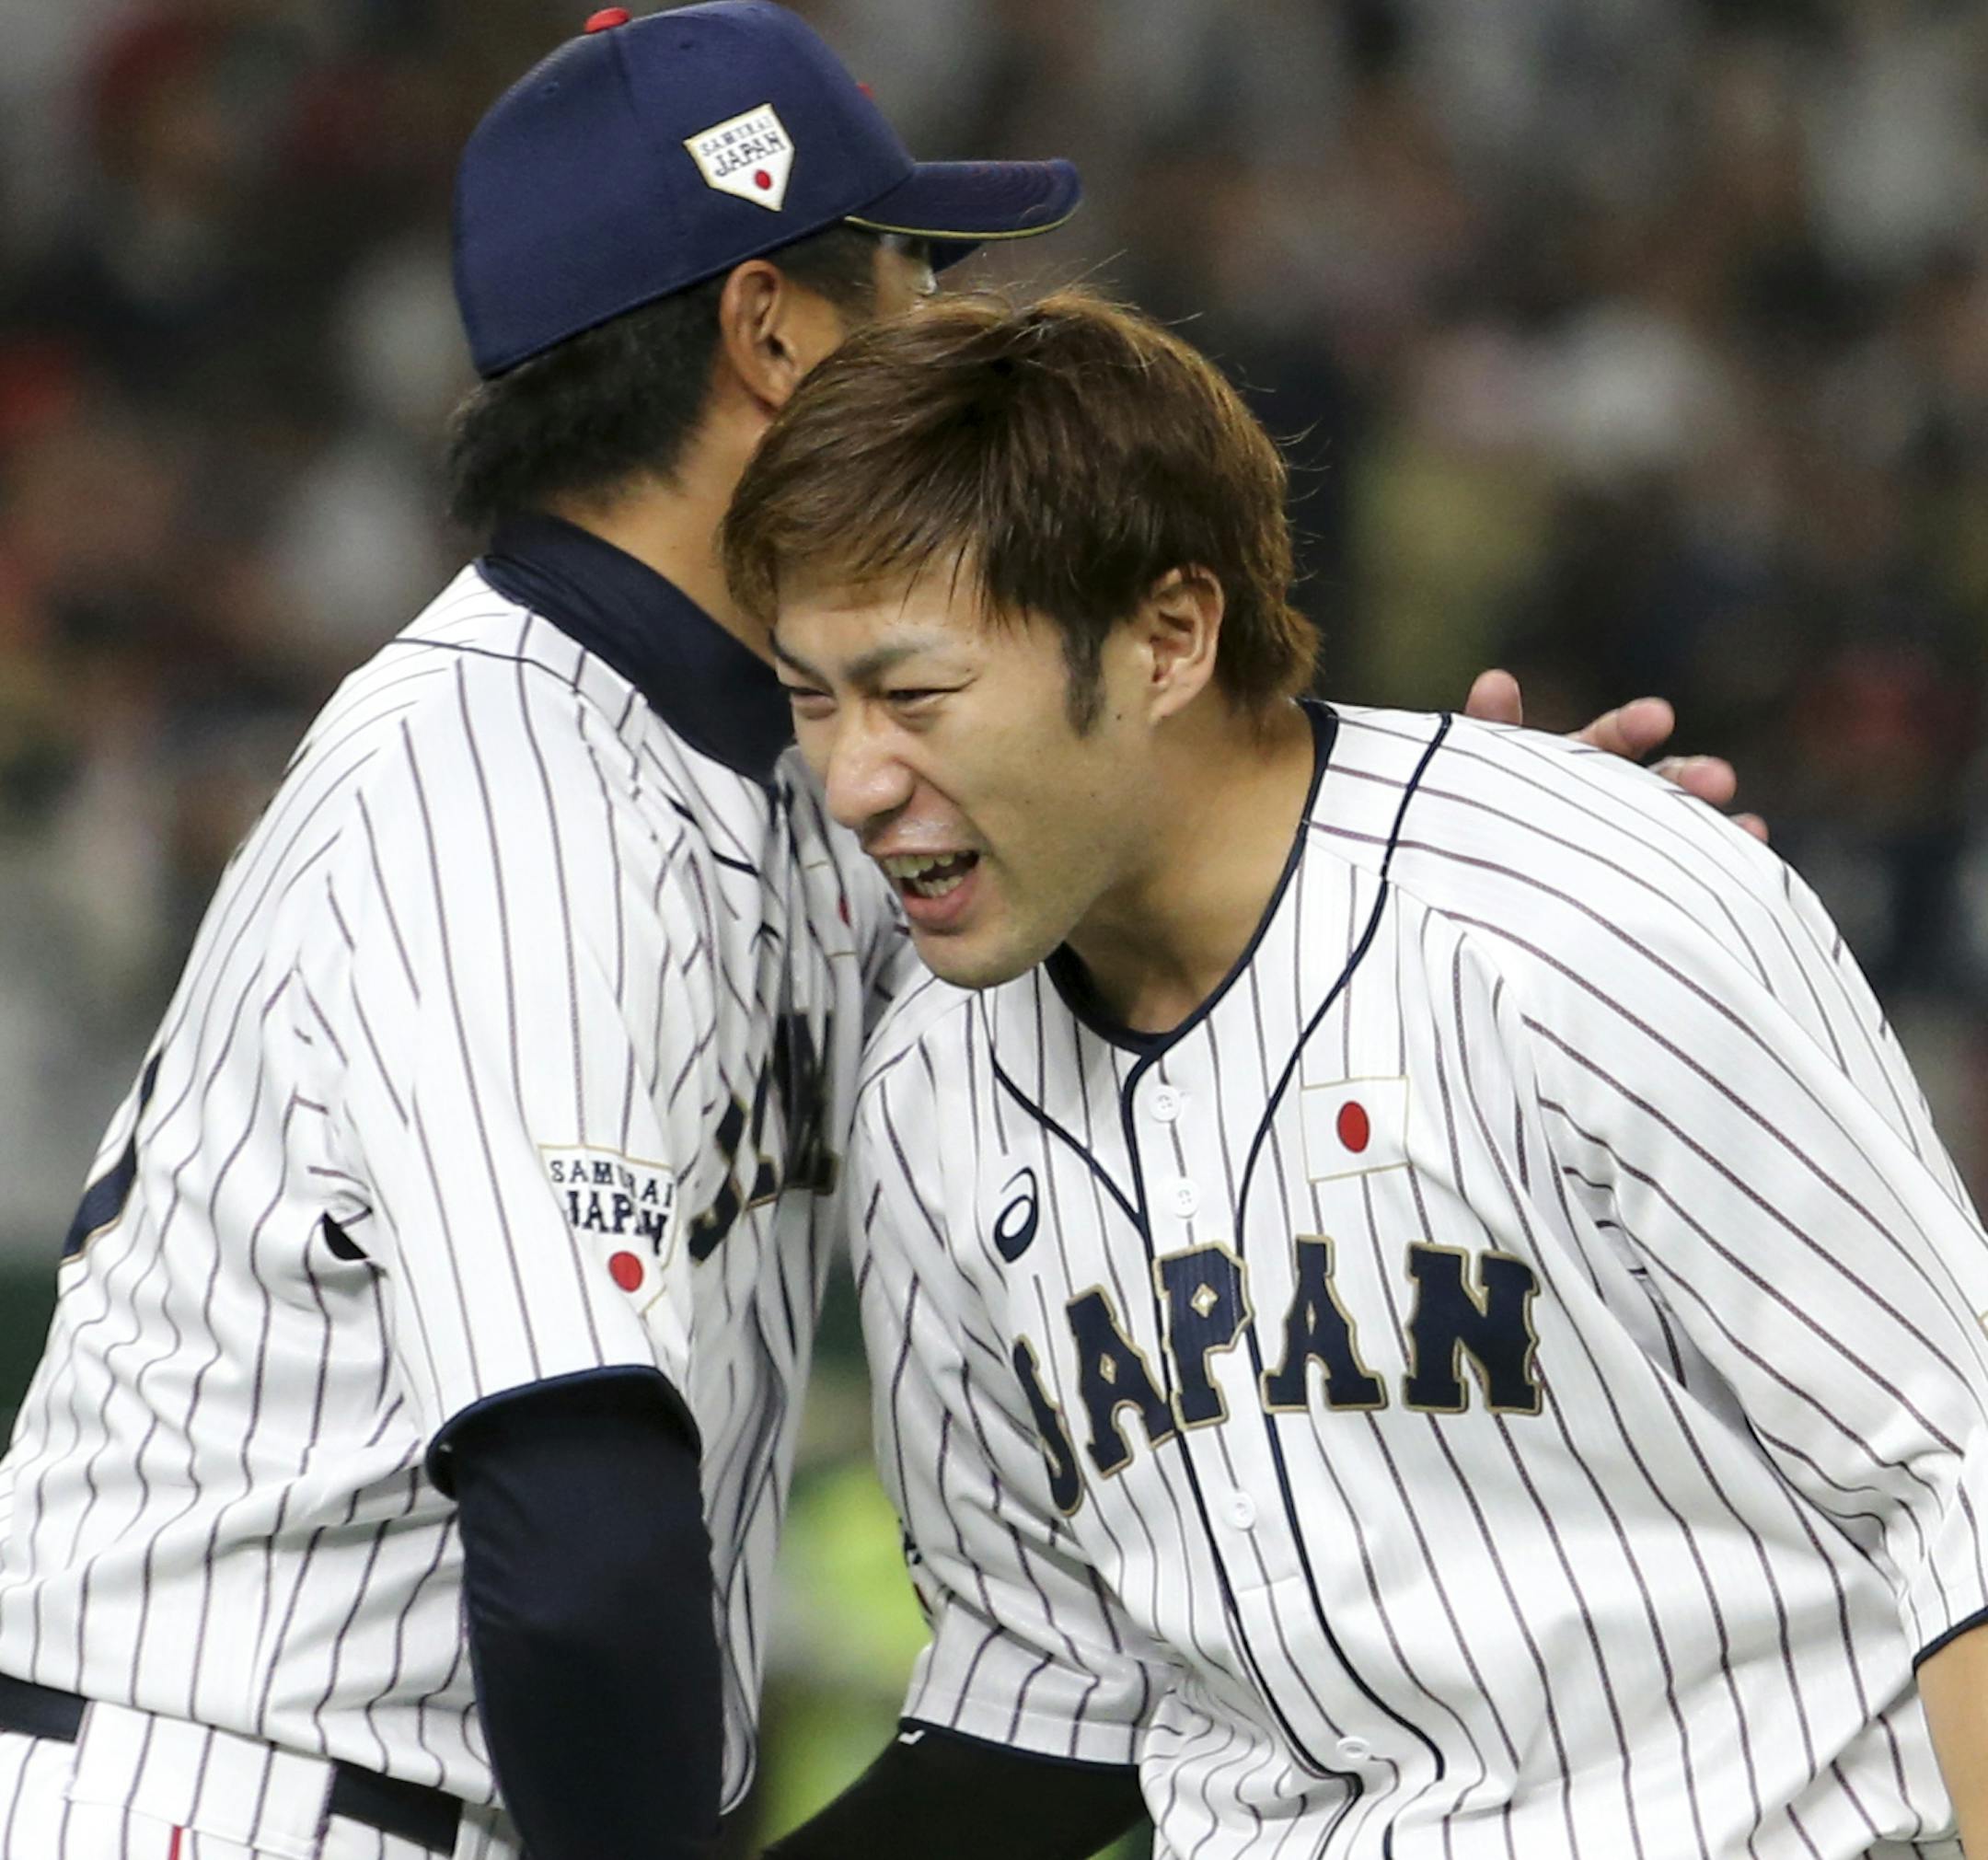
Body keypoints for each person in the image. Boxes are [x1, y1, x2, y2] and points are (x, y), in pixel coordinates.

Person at [0, 7, 1082, 1858]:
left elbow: (1137, 950)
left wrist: (1499, 836)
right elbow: (580, 1557)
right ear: (768, 335)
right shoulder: (508, 794)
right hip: (229, 1794)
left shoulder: (758, 751)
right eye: (909, 276)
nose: (946, 338)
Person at [723, 290, 1988, 1860]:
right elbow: (1043, 1708)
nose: (853, 776)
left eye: (914, 696)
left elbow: (1959, 1484)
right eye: (810, 698)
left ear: (1170, 637)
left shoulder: (1578, 914)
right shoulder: (928, 1089)